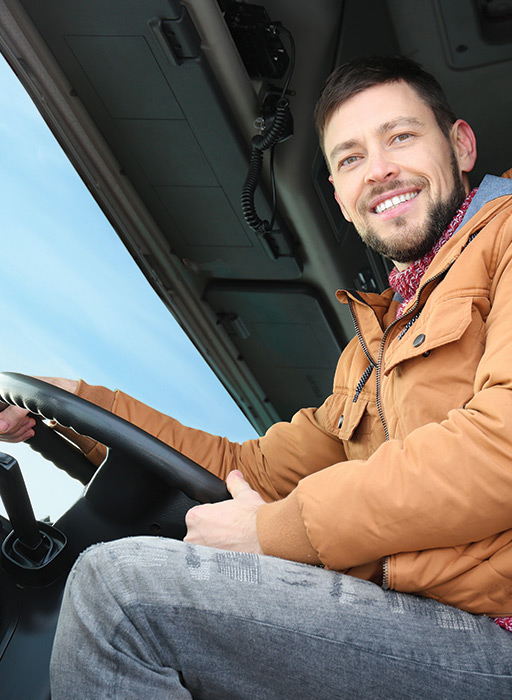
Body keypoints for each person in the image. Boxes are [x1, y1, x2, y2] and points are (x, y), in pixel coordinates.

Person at [3, 54, 512, 697]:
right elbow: (241, 467)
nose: (379, 170)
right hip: (422, 623)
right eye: (351, 158)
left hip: (494, 635)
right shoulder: (370, 358)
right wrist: (76, 402)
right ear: (339, 195)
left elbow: (503, 446)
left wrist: (275, 531)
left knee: (122, 595)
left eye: (401, 136)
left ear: (461, 145)